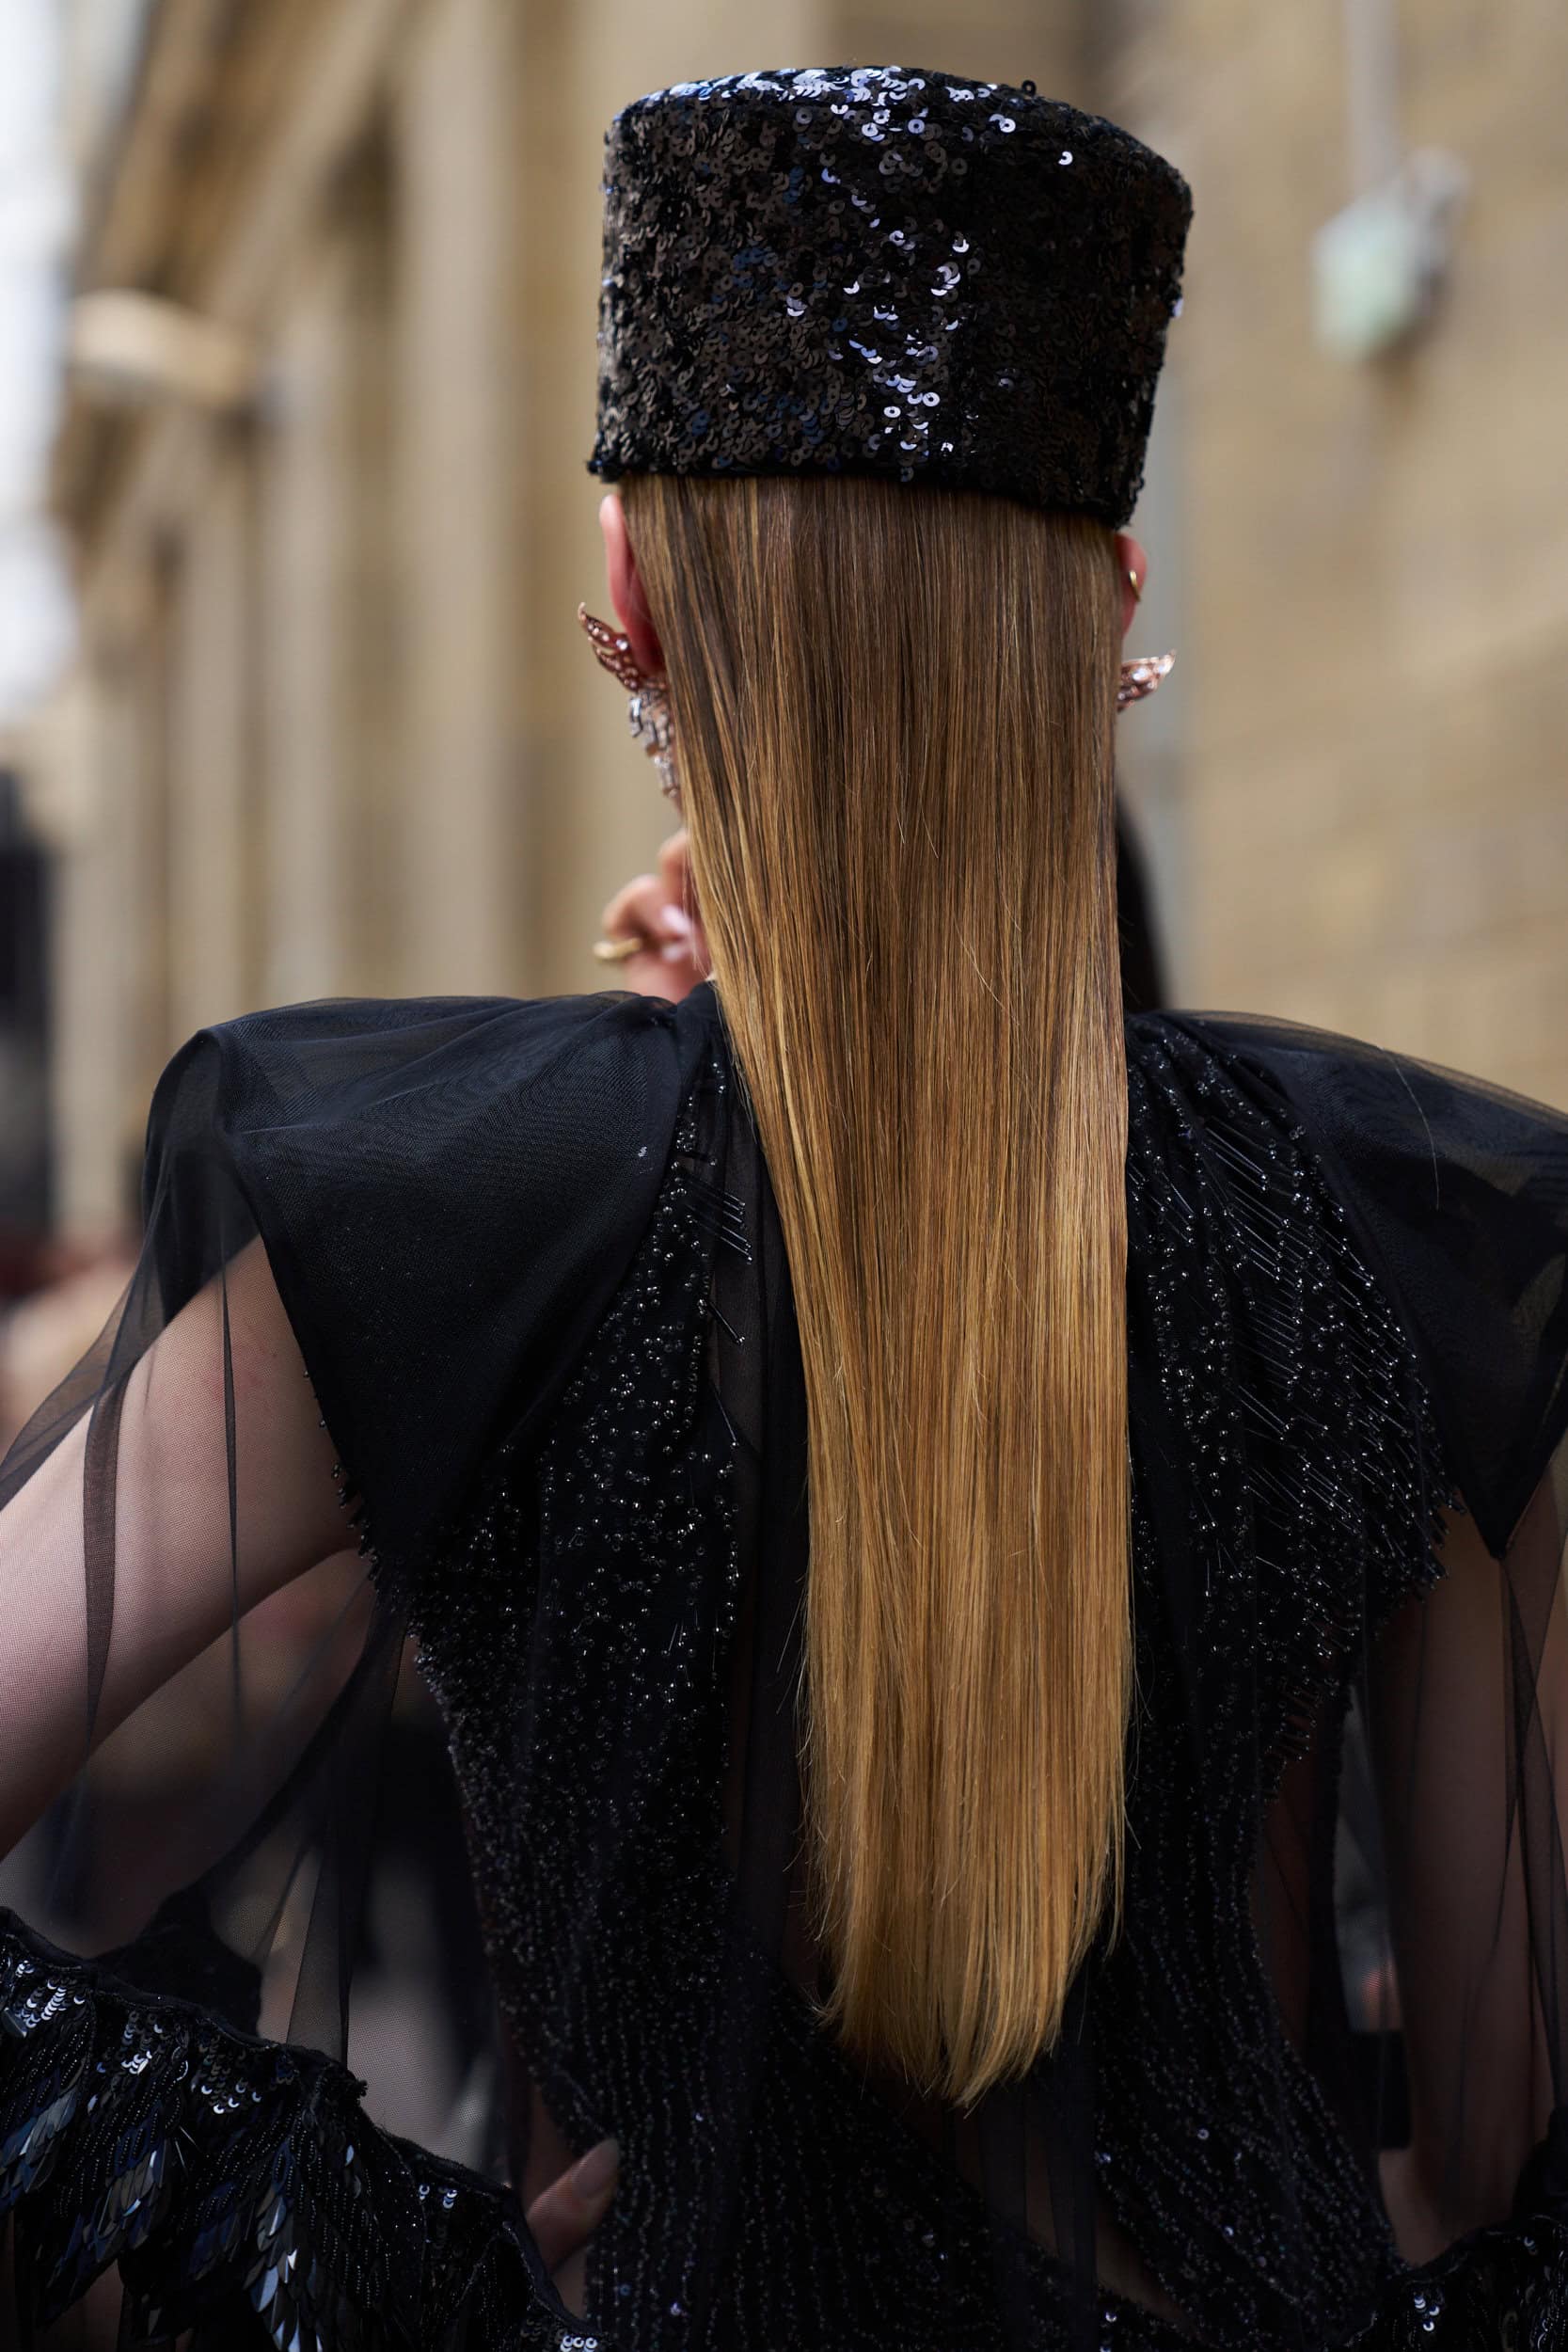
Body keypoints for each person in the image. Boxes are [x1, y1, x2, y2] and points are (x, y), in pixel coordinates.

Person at [1, 66, 1566, 2352]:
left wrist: (355, 2252)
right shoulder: (1425, 1230)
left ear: (629, 602)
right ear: (1119, 602)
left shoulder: (454, 1197)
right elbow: (1513, 2138)